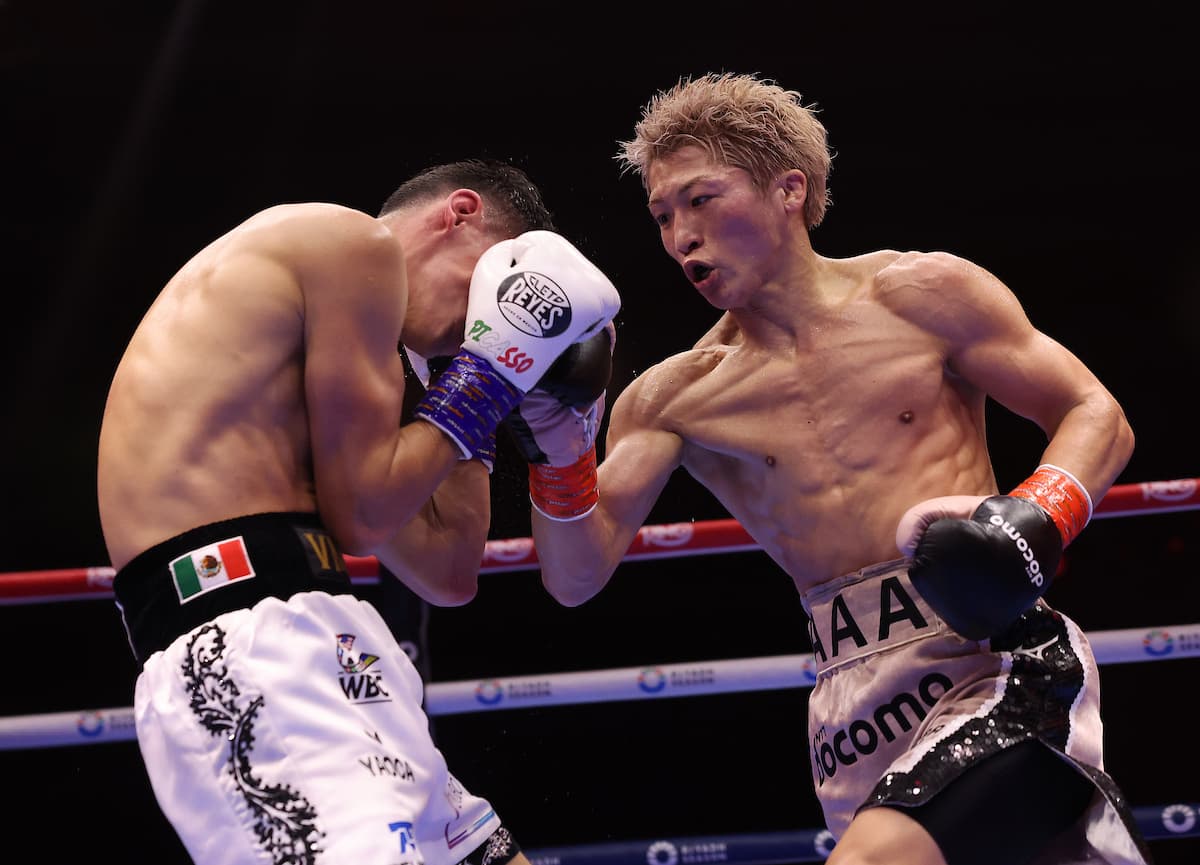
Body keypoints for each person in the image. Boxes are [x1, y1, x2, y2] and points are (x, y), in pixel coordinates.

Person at [522, 73, 1154, 865]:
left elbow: (1096, 413)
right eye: (661, 215)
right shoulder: (675, 397)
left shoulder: (922, 295)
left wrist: (1035, 517)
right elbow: (574, 572)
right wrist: (557, 440)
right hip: (853, 712)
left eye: (700, 198)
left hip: (992, 660)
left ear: (790, 189)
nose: (680, 232)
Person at [96, 158, 621, 865]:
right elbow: (366, 521)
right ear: (459, 214)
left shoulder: (311, 377)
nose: (480, 325)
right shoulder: (349, 244)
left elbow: (450, 570)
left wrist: (476, 388)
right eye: (485, 298)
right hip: (248, 651)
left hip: (334, 640)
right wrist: (491, 371)